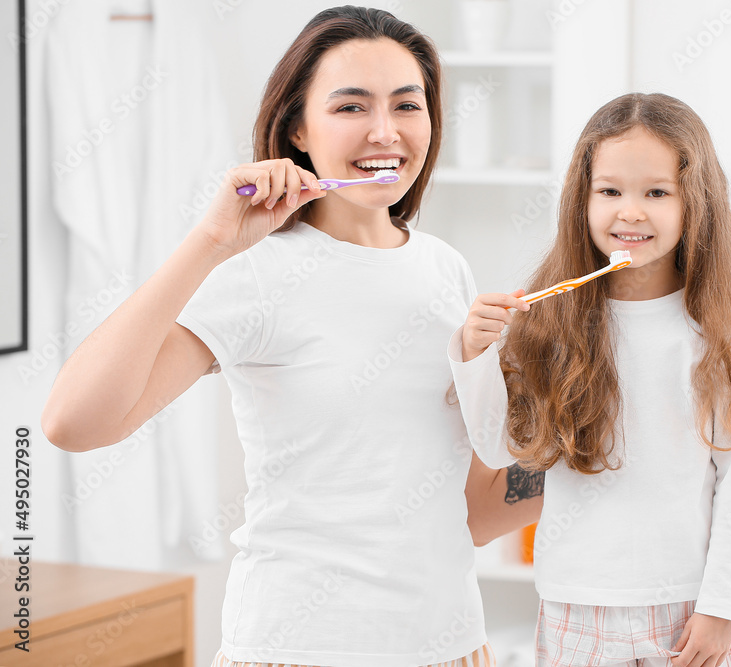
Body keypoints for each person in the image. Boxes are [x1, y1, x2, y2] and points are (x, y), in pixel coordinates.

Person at [42, 6, 539, 666]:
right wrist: (211, 240)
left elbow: (466, 514)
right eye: (351, 107)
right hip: (301, 646)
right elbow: (74, 422)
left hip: (449, 646)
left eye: (406, 105)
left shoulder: (446, 270)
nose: (384, 131)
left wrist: (584, 448)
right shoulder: (257, 272)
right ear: (298, 128)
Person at [449, 92, 731, 667]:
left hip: (687, 613)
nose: (630, 212)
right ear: (581, 201)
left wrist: (724, 608)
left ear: (695, 205)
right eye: (609, 191)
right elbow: (498, 446)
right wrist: (475, 354)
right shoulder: (549, 326)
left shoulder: (715, 335)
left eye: (656, 192)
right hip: (571, 608)